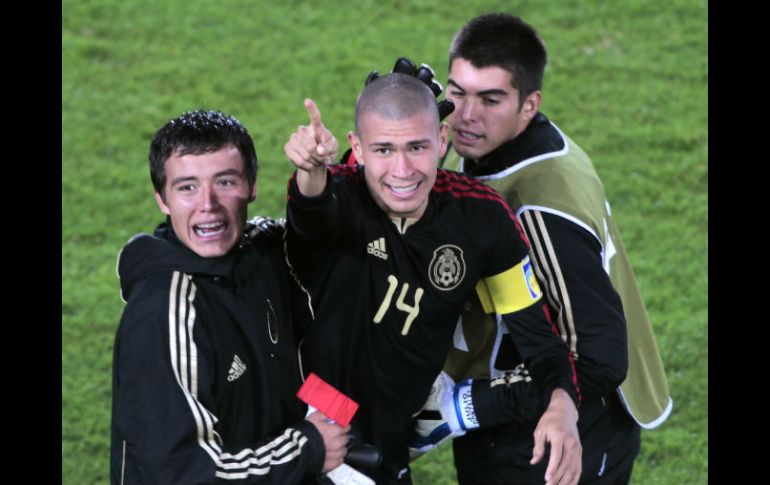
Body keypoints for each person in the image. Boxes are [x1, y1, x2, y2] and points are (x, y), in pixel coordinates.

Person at [283, 73, 582, 485]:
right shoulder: (340, 197)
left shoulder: (481, 218)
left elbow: (539, 339)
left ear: (442, 140)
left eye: (417, 147)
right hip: (312, 422)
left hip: (391, 436)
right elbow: (311, 214)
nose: (402, 171)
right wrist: (311, 169)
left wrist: (562, 405)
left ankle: (448, 410)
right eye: (384, 149)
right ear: (357, 148)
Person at [418, 13, 672, 485]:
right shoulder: (482, 144)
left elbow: (597, 357)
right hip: (515, 401)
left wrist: (463, 407)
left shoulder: (539, 213)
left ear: (529, 104)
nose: (467, 114)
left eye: (491, 99)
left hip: (566, 425)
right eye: (457, 92)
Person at [110, 109, 350, 485]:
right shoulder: (163, 312)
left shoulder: (260, 252)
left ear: (252, 185)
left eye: (224, 182)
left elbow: (318, 240)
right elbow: (183, 472)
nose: (208, 204)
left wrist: (315, 171)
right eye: (186, 187)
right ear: (161, 198)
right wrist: (308, 448)